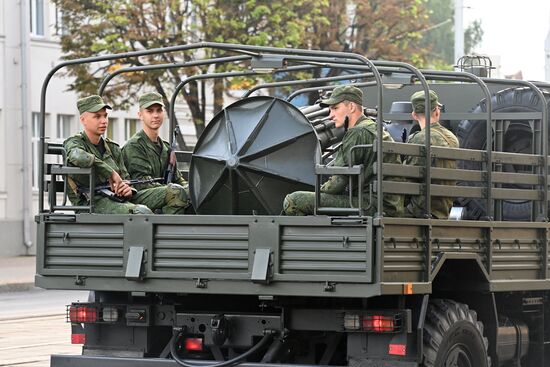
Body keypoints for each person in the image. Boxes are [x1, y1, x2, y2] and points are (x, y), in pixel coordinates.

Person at [283, 85, 404, 216]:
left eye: (335, 108)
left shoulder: (357, 132)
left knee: (294, 200)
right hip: (387, 206)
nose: (331, 115)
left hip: (370, 205)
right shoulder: (376, 130)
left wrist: (317, 191)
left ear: (351, 107)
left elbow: (336, 186)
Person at [64, 95, 185, 214]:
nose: (103, 121)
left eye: (105, 116)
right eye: (97, 117)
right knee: (141, 213)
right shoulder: (75, 143)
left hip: (118, 199)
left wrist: (128, 190)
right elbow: (78, 157)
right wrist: (110, 172)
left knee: (176, 192)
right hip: (91, 203)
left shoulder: (112, 148)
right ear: (83, 120)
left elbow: (126, 179)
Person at [122, 92, 190, 214]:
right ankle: (167, 229)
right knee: (176, 192)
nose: (155, 115)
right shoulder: (134, 146)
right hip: (140, 197)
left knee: (191, 191)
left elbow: (178, 179)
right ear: (140, 115)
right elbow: (141, 184)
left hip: (165, 193)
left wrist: (189, 188)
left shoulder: (165, 148)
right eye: (150, 111)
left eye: (159, 110)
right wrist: (173, 189)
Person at [404, 90, 459, 219]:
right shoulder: (452, 138)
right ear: (437, 111)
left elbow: (408, 179)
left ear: (414, 115)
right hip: (443, 210)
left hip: (420, 211)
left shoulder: (418, 139)